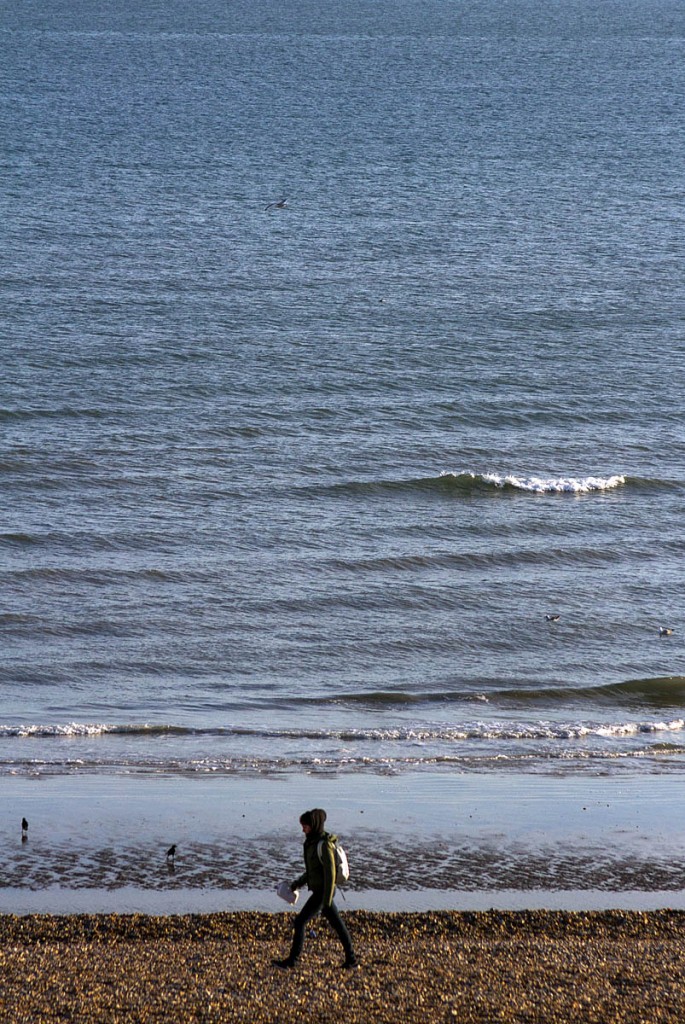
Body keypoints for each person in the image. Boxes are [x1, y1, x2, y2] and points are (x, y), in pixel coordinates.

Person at [273, 808, 357, 969]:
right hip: (321, 892)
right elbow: (312, 872)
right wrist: (296, 884)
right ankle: (351, 960)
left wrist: (325, 900)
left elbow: (330, 874)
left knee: (300, 922)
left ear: (314, 825)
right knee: (338, 925)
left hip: (323, 892)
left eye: (305, 825)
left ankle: (292, 961)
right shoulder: (311, 842)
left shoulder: (323, 845)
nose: (302, 828)